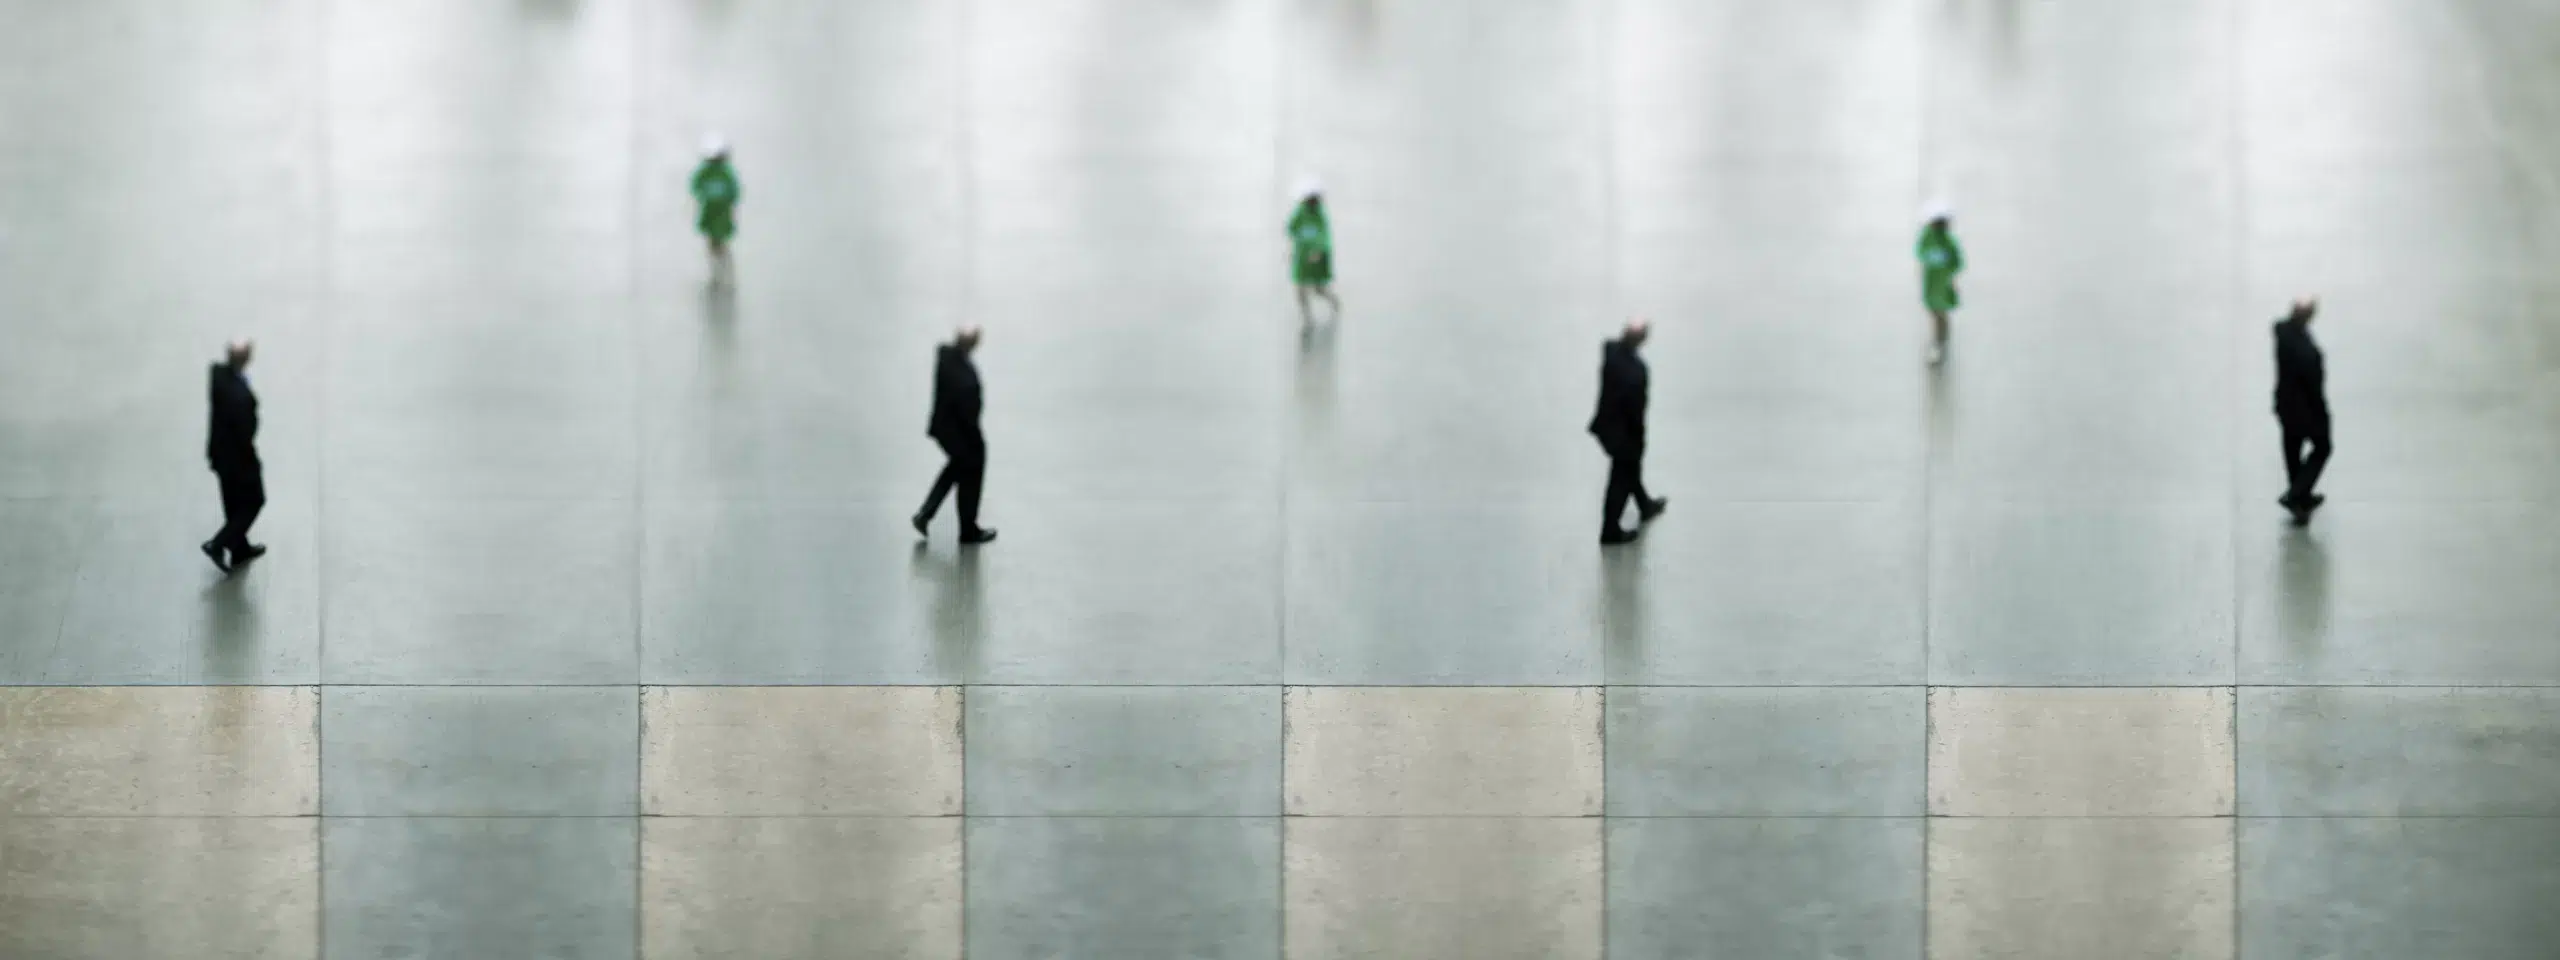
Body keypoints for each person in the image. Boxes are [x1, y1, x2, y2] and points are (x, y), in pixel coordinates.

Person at [914, 326, 996, 545]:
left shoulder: (955, 360)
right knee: (967, 466)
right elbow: (963, 399)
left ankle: (929, 515)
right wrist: (973, 431)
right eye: (973, 339)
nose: (976, 343)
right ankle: (963, 529)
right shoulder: (952, 361)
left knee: (959, 468)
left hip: (956, 429)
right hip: (956, 429)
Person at [1589, 319, 1666, 545]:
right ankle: (1610, 530)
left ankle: (1644, 505)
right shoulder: (1636, 371)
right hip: (1624, 433)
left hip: (1607, 426)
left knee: (1629, 470)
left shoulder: (1611, 353)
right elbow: (1636, 410)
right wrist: (1640, 440)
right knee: (1621, 477)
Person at [202, 340, 266, 572]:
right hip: (237, 459)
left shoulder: (218, 375)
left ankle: (240, 550)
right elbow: (246, 432)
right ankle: (218, 544)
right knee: (254, 500)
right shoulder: (241, 398)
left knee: (232, 503)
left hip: (219, 455)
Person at [2272, 298, 2331, 524]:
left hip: (2285, 405)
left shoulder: (2284, 332)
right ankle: (2297, 495)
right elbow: (2312, 379)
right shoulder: (2301, 345)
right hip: (2303, 407)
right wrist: (2322, 410)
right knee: (2323, 446)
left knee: (2292, 449)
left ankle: (2300, 500)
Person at [1288, 179, 1341, 324]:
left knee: (1318, 288)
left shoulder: (1320, 215)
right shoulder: (1299, 212)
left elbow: (1325, 235)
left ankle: (1334, 302)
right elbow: (1291, 228)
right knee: (1300, 287)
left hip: (1317, 255)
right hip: (1302, 254)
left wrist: (1319, 250)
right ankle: (1307, 316)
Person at [690, 135, 741, 284]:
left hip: (722, 211)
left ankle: (721, 254)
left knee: (721, 234)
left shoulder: (726, 173)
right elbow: (695, 186)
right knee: (712, 236)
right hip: (710, 210)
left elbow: (734, 189)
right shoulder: (704, 172)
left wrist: (730, 199)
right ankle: (715, 254)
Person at [1916, 205, 1964, 365]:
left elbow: (1958, 263)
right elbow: (1920, 252)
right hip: (1931, 281)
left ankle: (1940, 340)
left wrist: (1946, 264)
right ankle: (1940, 336)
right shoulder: (1926, 237)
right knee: (1934, 310)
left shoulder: (1950, 242)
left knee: (1940, 311)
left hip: (1943, 282)